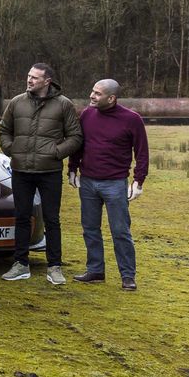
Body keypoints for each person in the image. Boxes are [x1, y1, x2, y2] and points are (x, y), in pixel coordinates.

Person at [0, 63, 83, 285]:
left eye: (35, 77)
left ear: (47, 81)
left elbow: (75, 136)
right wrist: (11, 149)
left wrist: (56, 153)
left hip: (49, 172)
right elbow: (4, 129)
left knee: (52, 219)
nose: (29, 80)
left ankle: (54, 267)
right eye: (29, 76)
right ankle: (20, 264)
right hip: (21, 171)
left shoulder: (64, 104)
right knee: (22, 217)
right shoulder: (17, 102)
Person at [68, 79, 149, 291]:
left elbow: (142, 152)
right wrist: (72, 168)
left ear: (111, 98)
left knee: (120, 231)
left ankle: (128, 276)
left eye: (97, 93)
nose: (92, 96)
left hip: (115, 184)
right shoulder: (87, 114)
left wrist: (138, 181)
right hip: (88, 183)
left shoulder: (132, 119)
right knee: (90, 229)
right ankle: (95, 270)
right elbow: (79, 144)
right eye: (92, 91)